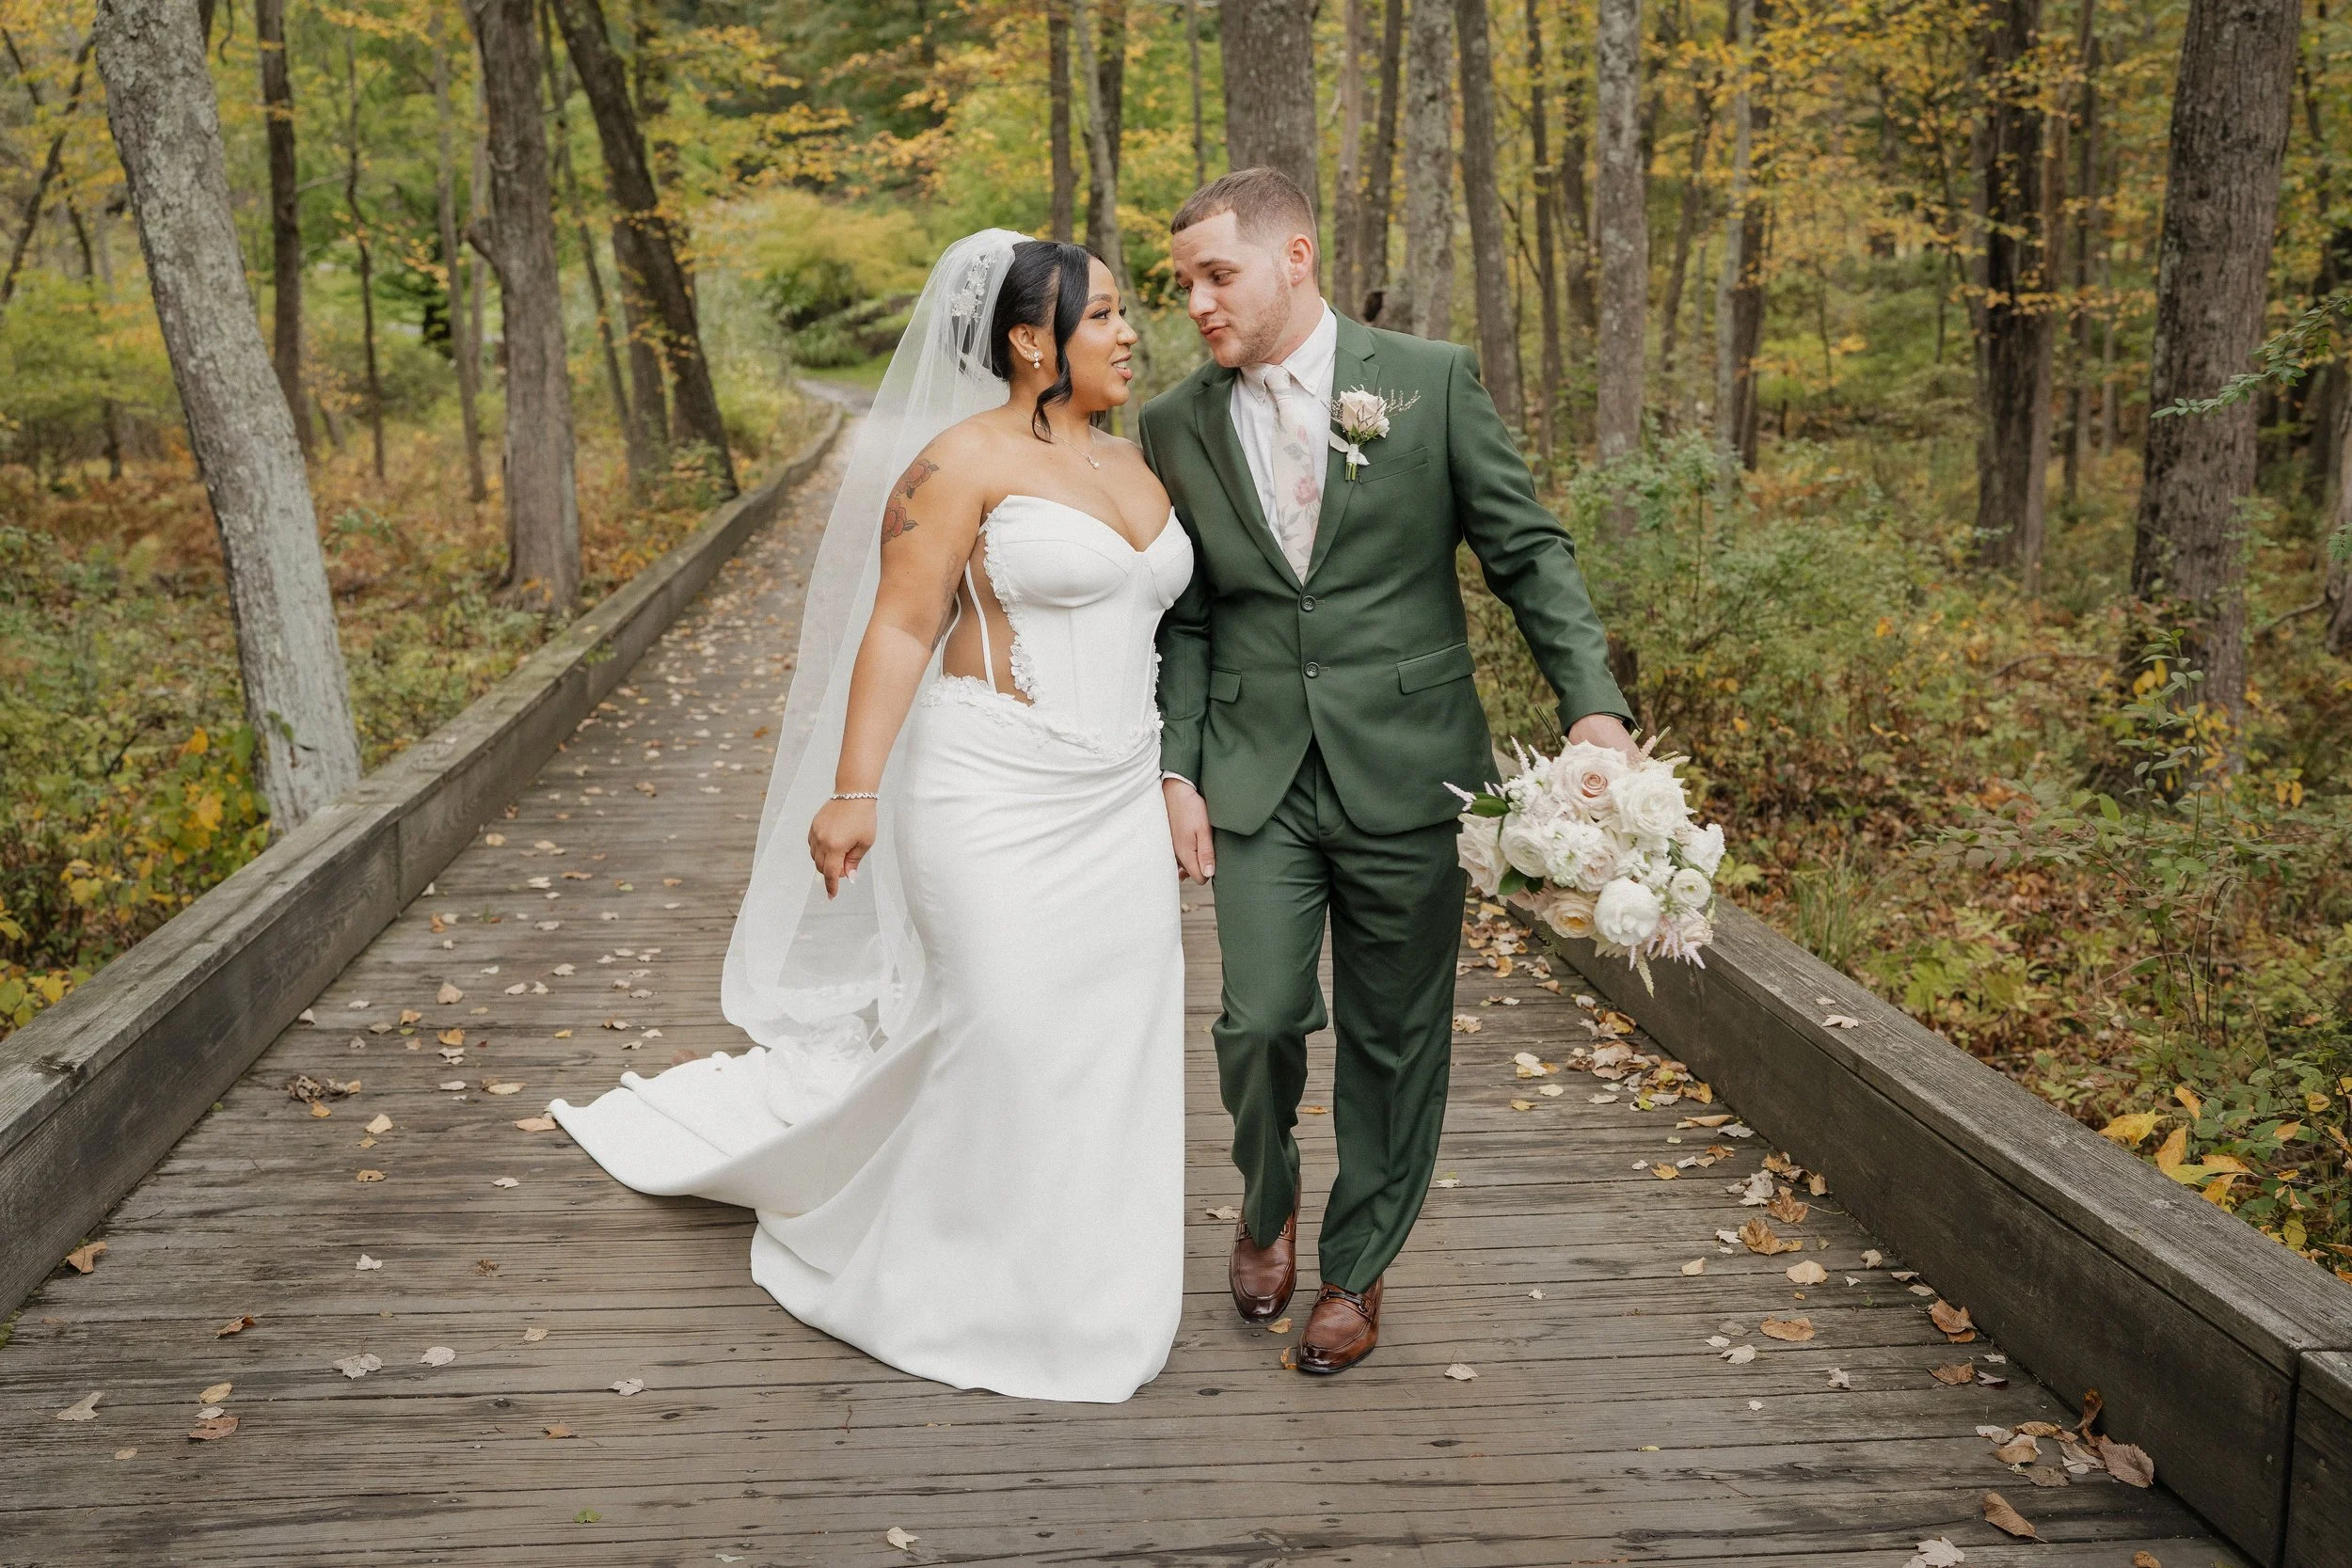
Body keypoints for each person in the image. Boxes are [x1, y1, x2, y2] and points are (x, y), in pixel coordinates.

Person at [551, 233, 1196, 1404]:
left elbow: (1169, 636)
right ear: (1029, 338)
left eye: (1123, 312)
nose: (1127, 330)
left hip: (1116, 800)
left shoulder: (1140, 469)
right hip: (990, 789)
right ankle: (940, 1266)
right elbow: (900, 628)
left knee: (1112, 1037)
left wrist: (1174, 773)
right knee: (999, 1021)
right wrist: (852, 790)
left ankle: (1089, 1278)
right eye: (1103, 314)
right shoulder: (956, 464)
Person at [1143, 168, 1635, 1374]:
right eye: (1183, 286)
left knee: (1394, 1031)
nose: (1199, 304)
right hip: (1255, 767)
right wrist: (1175, 766)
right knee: (1256, 1017)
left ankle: (1357, 1267)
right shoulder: (1170, 424)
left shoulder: (1429, 380)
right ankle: (1266, 1199)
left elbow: (1526, 550)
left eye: (1219, 276)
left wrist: (1595, 707)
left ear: (1294, 256)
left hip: (1412, 768)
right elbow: (1188, 616)